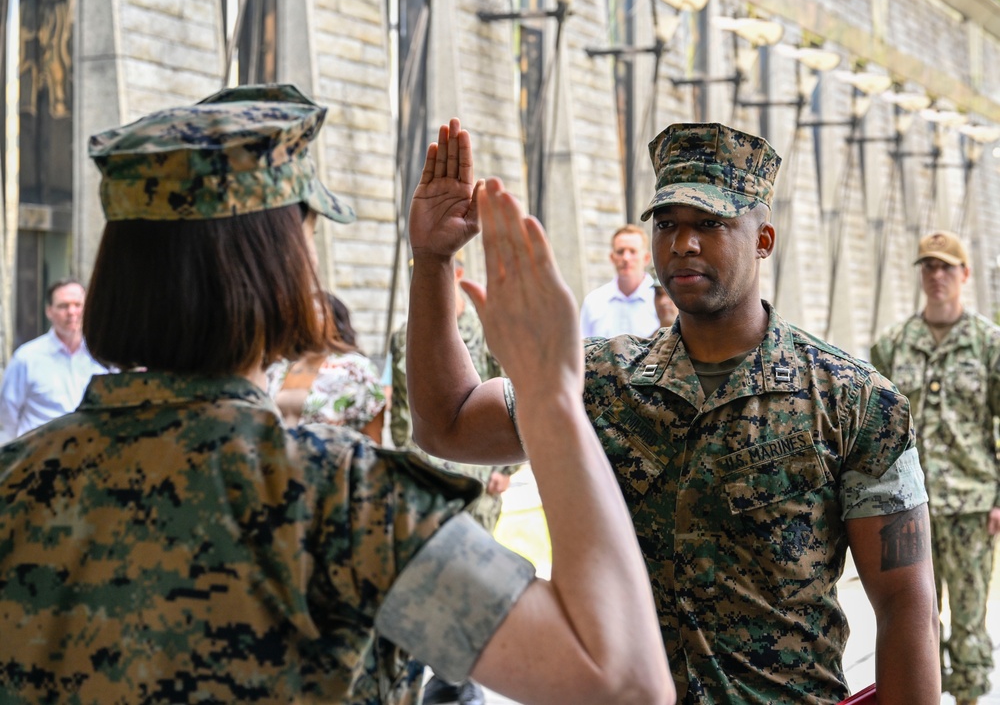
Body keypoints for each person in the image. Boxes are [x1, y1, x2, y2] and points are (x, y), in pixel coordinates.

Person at [0, 86, 673, 705]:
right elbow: (625, 682)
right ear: (271, 268)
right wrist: (552, 395)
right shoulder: (341, 498)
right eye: (306, 238)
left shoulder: (16, 482)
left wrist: (431, 265)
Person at [405, 118, 941, 704]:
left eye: (710, 223)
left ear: (763, 239)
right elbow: (447, 422)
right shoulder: (594, 381)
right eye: (667, 224)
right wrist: (432, 262)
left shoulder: (853, 401)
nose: (683, 243)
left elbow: (904, 603)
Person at [870, 230, 1000, 705]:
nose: (936, 275)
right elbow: (877, 431)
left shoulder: (989, 343)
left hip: (971, 503)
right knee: (914, 619)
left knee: (967, 621)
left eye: (946, 266)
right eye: (928, 266)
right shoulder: (892, 345)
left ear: (964, 274)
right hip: (908, 506)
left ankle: (968, 698)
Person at [389, 250, 520, 705]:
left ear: (459, 276)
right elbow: (404, 414)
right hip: (423, 480)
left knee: (466, 579)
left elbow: (510, 397)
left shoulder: (481, 334)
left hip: (474, 481)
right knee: (424, 574)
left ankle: (455, 683)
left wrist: (506, 468)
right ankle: (444, 678)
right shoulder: (403, 336)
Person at [267, 291, 386, 443]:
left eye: (315, 313)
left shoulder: (355, 368)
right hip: (276, 461)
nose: (305, 319)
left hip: (331, 462)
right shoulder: (279, 368)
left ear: (335, 322)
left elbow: (373, 437)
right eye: (301, 313)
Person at [0, 278, 108, 443]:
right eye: (63, 306)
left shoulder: (103, 357)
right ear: (49, 311)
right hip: (41, 459)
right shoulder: (27, 358)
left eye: (78, 305)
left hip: (91, 456)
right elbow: (7, 417)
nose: (72, 312)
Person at [579, 224, 659, 338]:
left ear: (646, 258)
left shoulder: (661, 300)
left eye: (633, 251)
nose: (626, 258)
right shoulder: (594, 302)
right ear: (612, 257)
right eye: (620, 251)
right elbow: (582, 349)